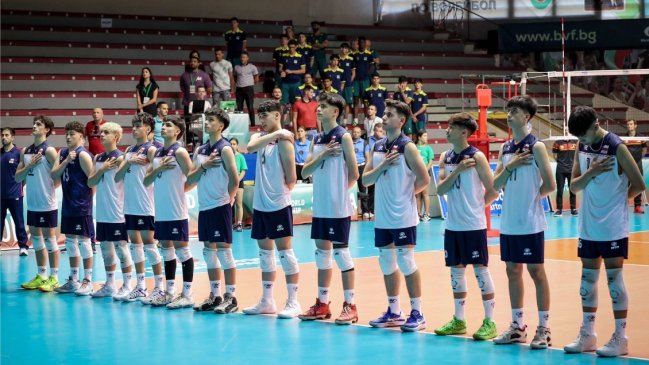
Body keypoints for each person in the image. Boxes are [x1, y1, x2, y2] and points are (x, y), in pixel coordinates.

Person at [563, 106, 644, 357]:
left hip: (612, 227)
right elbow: (575, 186)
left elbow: (639, 184)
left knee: (613, 281)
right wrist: (592, 172)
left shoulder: (616, 146)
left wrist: (618, 202)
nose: (582, 140)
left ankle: (621, 337)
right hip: (588, 225)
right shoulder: (582, 146)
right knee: (587, 281)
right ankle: (588, 335)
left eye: (583, 135)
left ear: (595, 125)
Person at [492, 95, 555, 349]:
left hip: (530, 222)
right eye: (508, 110)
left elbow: (550, 185)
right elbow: (495, 184)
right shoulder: (505, 148)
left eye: (514, 111)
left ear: (527, 117)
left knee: (536, 271)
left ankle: (544, 329)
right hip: (509, 222)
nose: (509, 114)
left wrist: (529, 199)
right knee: (512, 271)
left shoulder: (536, 146)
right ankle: (518, 327)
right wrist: (510, 167)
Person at [362, 99, 431, 332]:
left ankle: (418, 312)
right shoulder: (377, 146)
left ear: (401, 121)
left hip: (403, 215)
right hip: (382, 216)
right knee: (386, 263)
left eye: (390, 114)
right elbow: (365, 179)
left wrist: (407, 195)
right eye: (384, 113)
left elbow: (424, 179)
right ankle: (394, 311)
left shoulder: (408, 147)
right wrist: (381, 168)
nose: (384, 117)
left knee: (406, 261)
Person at [433, 113, 500, 341]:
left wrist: (477, 208)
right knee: (456, 271)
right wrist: (459, 171)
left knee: (480, 269)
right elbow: (441, 190)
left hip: (473, 225)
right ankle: (459, 320)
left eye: (451, 127)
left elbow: (493, 189)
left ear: (464, 132)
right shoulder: (446, 157)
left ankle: (489, 321)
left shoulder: (477, 156)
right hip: (453, 225)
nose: (447, 130)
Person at [299, 93, 360, 324]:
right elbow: (304, 172)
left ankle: (350, 305)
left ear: (335, 112)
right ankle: (322, 304)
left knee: (342, 255)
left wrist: (337, 193)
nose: (319, 109)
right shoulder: (316, 139)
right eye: (319, 106)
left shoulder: (344, 136)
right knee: (321, 257)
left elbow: (354, 174)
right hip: (320, 208)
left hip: (337, 208)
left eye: (324, 106)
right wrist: (323, 155)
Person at [242, 100, 301, 318]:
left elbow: (292, 177)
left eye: (265, 116)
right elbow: (249, 146)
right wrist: (279, 133)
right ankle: (267, 301)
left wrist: (281, 136)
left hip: (278, 204)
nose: (261, 121)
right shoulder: (264, 138)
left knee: (285, 253)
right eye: (260, 116)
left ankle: (293, 302)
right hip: (260, 205)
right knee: (264, 254)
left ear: (277, 115)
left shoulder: (285, 143)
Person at [187, 107, 240, 314]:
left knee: (225, 253)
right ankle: (215, 295)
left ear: (221, 125)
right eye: (205, 120)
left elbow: (235, 179)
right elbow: (189, 179)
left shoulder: (225, 148)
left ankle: (231, 297)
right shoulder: (200, 150)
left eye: (211, 120)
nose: (206, 123)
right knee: (209, 254)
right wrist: (204, 166)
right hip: (205, 206)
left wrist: (229, 199)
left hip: (220, 205)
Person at [144, 116, 195, 309]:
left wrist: (178, 192)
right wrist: (159, 169)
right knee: (166, 251)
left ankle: (187, 294)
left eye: (168, 125)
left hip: (176, 210)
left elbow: (192, 177)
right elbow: (146, 181)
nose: (163, 128)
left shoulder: (180, 152)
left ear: (177, 132)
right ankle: (169, 292)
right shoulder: (156, 153)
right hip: (161, 211)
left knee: (182, 250)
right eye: (163, 124)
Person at [115, 113, 165, 303]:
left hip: (146, 204)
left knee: (150, 246)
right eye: (133, 125)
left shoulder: (152, 150)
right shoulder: (128, 149)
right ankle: (141, 286)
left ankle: (160, 288)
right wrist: (128, 161)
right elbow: (117, 177)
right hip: (130, 204)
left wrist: (149, 166)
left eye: (139, 126)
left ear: (149, 130)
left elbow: (158, 173)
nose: (134, 129)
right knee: (135, 247)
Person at [87, 122, 134, 300]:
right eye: (101, 132)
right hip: (102, 212)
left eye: (106, 132)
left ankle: (128, 284)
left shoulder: (121, 158)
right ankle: (109, 284)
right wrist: (103, 170)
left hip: (118, 212)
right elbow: (90, 183)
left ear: (115, 137)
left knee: (121, 249)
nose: (101, 135)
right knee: (106, 249)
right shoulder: (98, 158)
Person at [51, 121, 96, 296]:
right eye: (67, 134)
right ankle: (74, 280)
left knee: (84, 243)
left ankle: (88, 280)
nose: (68, 137)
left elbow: (92, 181)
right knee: (70, 243)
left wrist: (87, 202)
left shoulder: (83, 154)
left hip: (82, 206)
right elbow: (54, 174)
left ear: (81, 137)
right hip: (68, 205)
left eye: (72, 134)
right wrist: (66, 161)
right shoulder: (62, 153)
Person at [16, 117, 60, 291]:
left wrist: (48, 189)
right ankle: (41, 275)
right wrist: (29, 166)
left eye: (39, 124)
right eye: (34, 124)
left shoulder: (49, 151)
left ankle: (54, 277)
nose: (34, 126)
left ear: (47, 130)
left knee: (50, 241)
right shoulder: (25, 151)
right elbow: (18, 177)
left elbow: (57, 176)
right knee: (36, 240)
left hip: (47, 203)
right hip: (32, 203)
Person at [1, 127, 28, 256]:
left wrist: (19, 187)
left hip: (15, 195)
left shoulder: (18, 153)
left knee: (19, 221)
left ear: (12, 137)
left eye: (7, 135)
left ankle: (23, 246)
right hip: (1, 196)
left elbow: (24, 175)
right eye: (2, 135)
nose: (3, 137)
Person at [625, 119, 647, 213]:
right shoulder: (624, 137)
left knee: (637, 185)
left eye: (631, 124)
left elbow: (644, 149)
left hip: (638, 163)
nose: (629, 126)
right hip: (626, 164)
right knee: (624, 185)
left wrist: (639, 158)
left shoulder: (641, 137)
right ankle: (623, 206)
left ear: (635, 125)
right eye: (628, 124)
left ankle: (637, 206)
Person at [552, 138, 578, 216]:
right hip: (560, 169)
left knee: (572, 189)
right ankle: (559, 210)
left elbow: (578, 154)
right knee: (560, 190)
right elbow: (554, 155)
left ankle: (573, 209)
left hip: (572, 169)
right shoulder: (557, 142)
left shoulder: (576, 142)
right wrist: (560, 162)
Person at [363, 122, 384, 219]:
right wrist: (369, 168)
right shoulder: (368, 140)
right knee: (370, 190)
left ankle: (379, 211)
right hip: (371, 168)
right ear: (374, 130)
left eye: (380, 131)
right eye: (376, 130)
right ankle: (369, 211)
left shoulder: (385, 141)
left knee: (380, 190)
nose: (378, 132)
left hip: (382, 168)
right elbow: (368, 155)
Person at [233, 51, 259, 127]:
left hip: (249, 89)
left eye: (244, 57)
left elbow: (256, 76)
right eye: (241, 57)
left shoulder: (252, 67)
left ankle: (253, 124)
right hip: (239, 89)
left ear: (247, 58)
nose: (242, 59)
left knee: (250, 107)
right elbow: (235, 77)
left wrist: (251, 83)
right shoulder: (236, 67)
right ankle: (240, 125)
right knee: (239, 107)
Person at [279, 39, 306, 105]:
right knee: (284, 103)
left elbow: (303, 70)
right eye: (290, 47)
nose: (291, 49)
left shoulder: (300, 57)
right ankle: (285, 115)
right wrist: (282, 72)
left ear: (296, 47)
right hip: (285, 83)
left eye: (293, 47)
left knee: (295, 103)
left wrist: (291, 71)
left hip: (296, 82)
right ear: (288, 46)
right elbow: (280, 68)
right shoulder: (283, 56)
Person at [414, 130, 434, 221]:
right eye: (425, 136)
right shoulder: (414, 147)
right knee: (417, 195)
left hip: (425, 173)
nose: (427, 138)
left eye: (427, 136)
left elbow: (430, 161)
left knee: (425, 194)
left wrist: (424, 171)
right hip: (415, 173)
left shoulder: (428, 148)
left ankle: (427, 213)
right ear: (419, 137)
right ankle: (418, 213)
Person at [230, 137, 247, 232]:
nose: (232, 145)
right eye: (231, 144)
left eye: (234, 144)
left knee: (238, 203)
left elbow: (243, 170)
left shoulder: (240, 157)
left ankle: (239, 223)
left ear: (237, 146)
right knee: (229, 204)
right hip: (229, 182)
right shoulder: (226, 156)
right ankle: (230, 223)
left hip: (239, 182)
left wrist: (237, 181)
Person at [350, 126, 368, 218]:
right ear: (351, 133)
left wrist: (367, 168)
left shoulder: (364, 143)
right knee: (349, 189)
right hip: (351, 168)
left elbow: (367, 156)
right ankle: (350, 210)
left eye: (357, 132)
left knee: (363, 189)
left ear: (360, 133)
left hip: (361, 167)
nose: (355, 133)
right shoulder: (348, 142)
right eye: (354, 132)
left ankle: (365, 211)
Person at [353, 37, 374, 112]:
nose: (361, 44)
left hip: (365, 80)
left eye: (363, 42)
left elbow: (372, 66)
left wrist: (367, 74)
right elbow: (353, 68)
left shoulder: (369, 54)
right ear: (358, 44)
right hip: (356, 81)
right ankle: (355, 119)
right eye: (360, 43)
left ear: (365, 44)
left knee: (365, 100)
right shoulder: (354, 54)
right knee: (355, 99)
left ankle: (366, 118)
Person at [338, 43, 356, 121]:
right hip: (339, 84)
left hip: (348, 84)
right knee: (339, 102)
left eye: (346, 48)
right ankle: (338, 118)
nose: (344, 50)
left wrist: (350, 80)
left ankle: (345, 120)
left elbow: (354, 73)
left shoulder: (351, 59)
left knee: (347, 102)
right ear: (340, 49)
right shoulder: (337, 59)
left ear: (348, 50)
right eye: (343, 48)